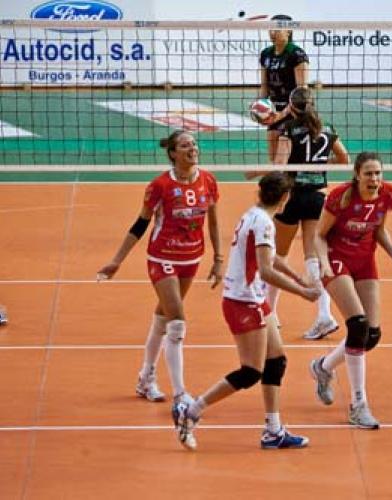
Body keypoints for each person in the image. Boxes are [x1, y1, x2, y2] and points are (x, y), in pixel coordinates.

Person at [171, 172, 319, 451]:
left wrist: (298, 278)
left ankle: (273, 431)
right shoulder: (264, 223)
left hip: (252, 298)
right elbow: (266, 270)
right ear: (285, 197)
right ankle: (190, 411)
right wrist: (303, 293)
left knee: (276, 361)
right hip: (243, 302)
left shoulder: (253, 214)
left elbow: (270, 258)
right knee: (251, 371)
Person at [98, 130, 222, 406]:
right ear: (173, 153)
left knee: (163, 319)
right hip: (162, 257)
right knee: (177, 322)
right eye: (185, 145)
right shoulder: (160, 185)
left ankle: (146, 378)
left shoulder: (209, 180)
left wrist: (218, 258)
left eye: (194, 143)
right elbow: (141, 223)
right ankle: (180, 394)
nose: (192, 148)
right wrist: (117, 260)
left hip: (192, 258)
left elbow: (213, 222)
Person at [308, 152, 392, 429]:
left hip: (365, 259)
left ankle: (323, 367)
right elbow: (319, 234)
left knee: (372, 335)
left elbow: (379, 230)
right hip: (337, 258)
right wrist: (323, 264)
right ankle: (359, 405)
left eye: (378, 173)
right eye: (369, 173)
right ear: (357, 175)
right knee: (357, 325)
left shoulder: (388, 194)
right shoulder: (341, 197)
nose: (374, 178)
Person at [269, 86, 350, 340]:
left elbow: (279, 166)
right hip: (317, 197)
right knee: (313, 258)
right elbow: (345, 159)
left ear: (291, 106)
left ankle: (270, 312)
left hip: (292, 196)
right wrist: (318, 165)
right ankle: (324, 315)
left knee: (277, 255)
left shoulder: (288, 129)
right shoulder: (326, 128)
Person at [259, 14, 309, 162]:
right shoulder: (266, 54)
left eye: (277, 29)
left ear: (288, 31)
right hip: (274, 110)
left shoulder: (297, 54)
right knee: (274, 158)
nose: (272, 33)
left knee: (290, 158)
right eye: (270, 29)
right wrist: (260, 107)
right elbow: (264, 86)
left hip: (294, 111)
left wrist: (284, 113)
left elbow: (302, 91)